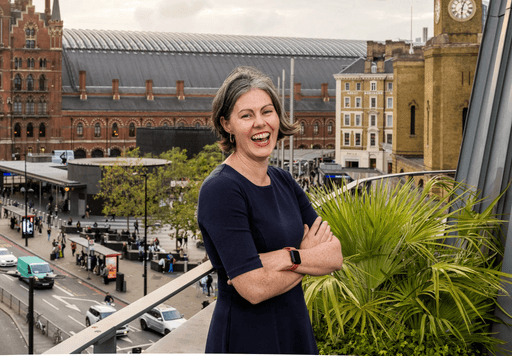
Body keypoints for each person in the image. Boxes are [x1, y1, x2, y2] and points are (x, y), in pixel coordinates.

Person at [197, 66, 343, 354]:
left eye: (267, 111)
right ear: (227, 125)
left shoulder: (283, 180)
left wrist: (282, 257)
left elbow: (334, 255)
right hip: (247, 337)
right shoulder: (221, 190)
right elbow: (253, 289)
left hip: (294, 328)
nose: (260, 124)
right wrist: (305, 255)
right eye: (246, 115)